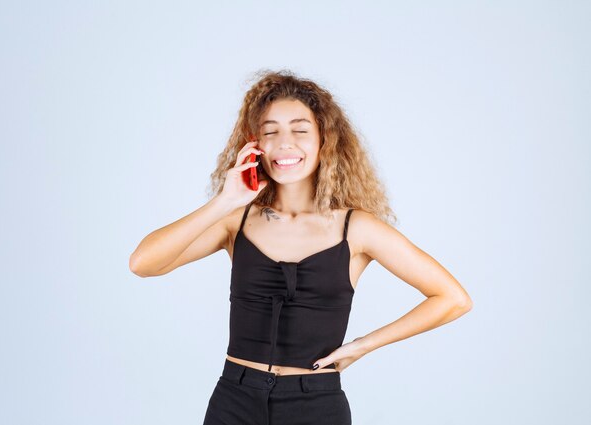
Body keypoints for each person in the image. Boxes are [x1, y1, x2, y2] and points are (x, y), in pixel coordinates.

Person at [129, 69, 473, 425]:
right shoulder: (236, 220)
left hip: (315, 405)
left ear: (324, 140)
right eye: (270, 132)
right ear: (254, 144)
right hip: (234, 399)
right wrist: (225, 201)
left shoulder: (357, 229)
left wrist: (364, 345)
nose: (284, 144)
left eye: (300, 130)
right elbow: (143, 263)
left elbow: (453, 299)